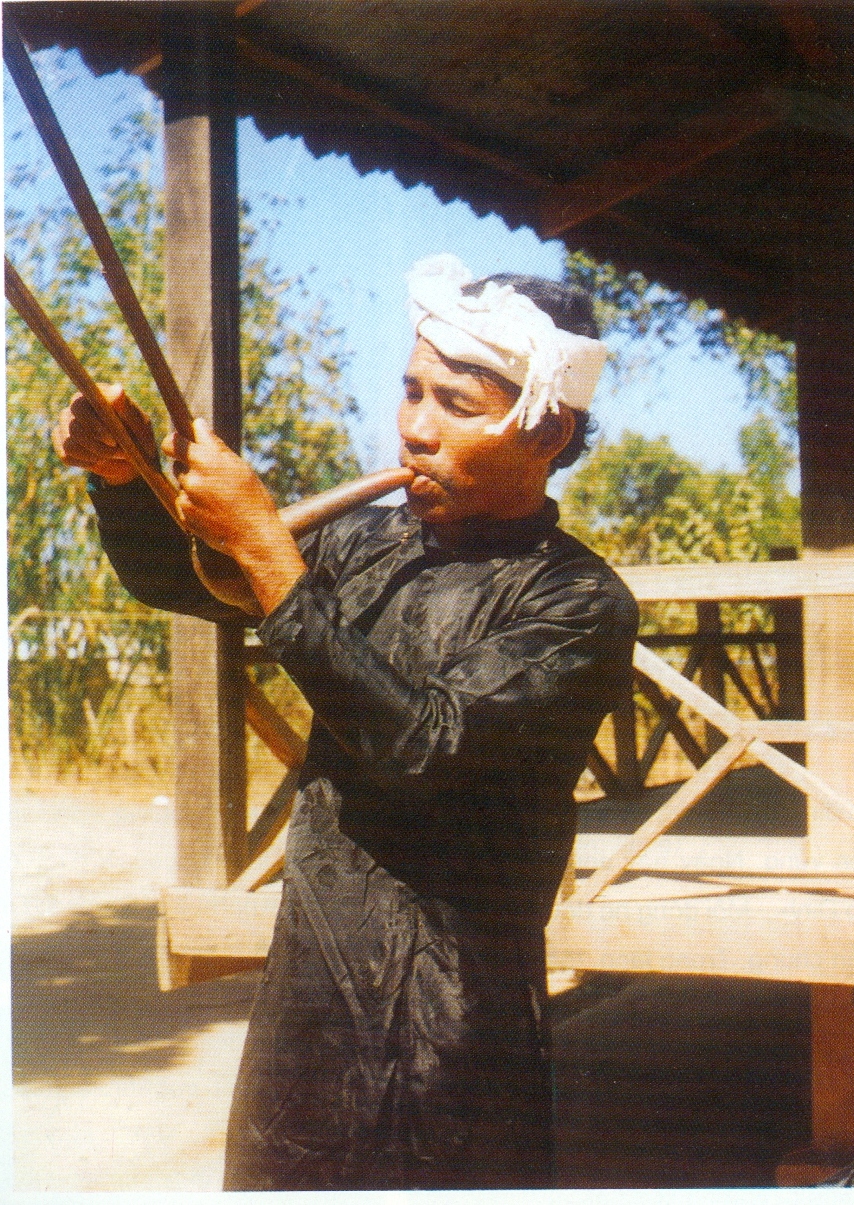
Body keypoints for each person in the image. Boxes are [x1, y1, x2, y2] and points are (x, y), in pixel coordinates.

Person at [52, 254, 639, 1190]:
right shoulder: (365, 541)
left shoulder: (577, 602)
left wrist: (266, 547)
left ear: (545, 429)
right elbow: (191, 580)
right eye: (411, 391)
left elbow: (424, 745)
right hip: (310, 995)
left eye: (455, 403)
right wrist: (126, 481)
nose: (415, 427)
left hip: (453, 1021)